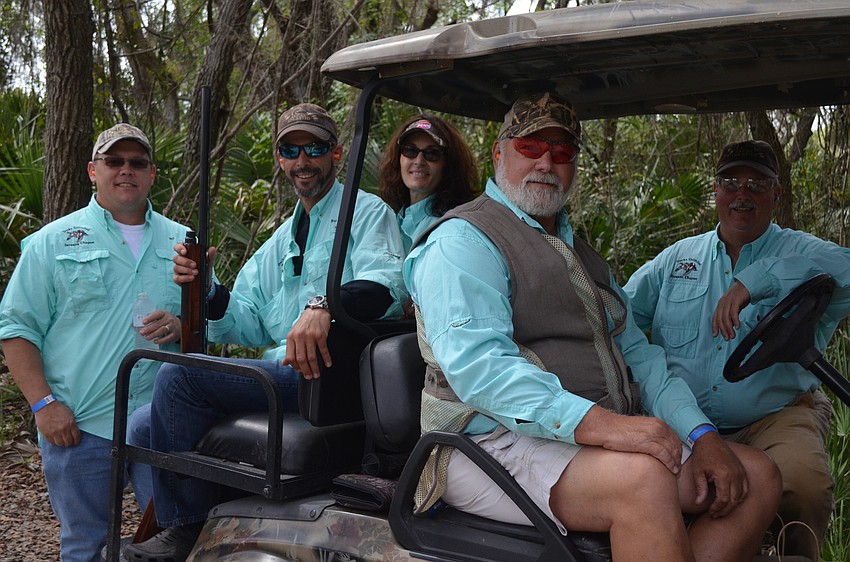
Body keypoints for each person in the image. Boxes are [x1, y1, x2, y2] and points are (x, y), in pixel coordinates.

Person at [404, 92, 783, 562]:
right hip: (482, 442)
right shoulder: (463, 240)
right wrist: (609, 428)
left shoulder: (581, 256)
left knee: (756, 476)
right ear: (499, 153)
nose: (546, 161)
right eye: (530, 147)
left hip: (581, 438)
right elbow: (482, 370)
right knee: (643, 480)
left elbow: (640, 357)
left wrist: (702, 436)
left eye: (562, 152)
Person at [123, 103, 407, 562]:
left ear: (336, 153)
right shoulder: (281, 239)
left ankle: (184, 530)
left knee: (177, 378)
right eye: (290, 150)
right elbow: (247, 318)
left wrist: (325, 306)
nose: (302, 161)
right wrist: (207, 287)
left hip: (332, 376)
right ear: (279, 159)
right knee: (140, 421)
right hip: (282, 372)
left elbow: (387, 283)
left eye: (313, 148)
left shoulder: (366, 211)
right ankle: (196, 516)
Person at [624, 139, 850, 560]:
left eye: (757, 184)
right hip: (683, 419)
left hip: (774, 414)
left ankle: (796, 554)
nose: (742, 194)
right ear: (715, 191)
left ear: (776, 195)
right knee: (644, 490)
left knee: (804, 486)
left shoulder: (801, 251)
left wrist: (758, 279)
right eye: (731, 182)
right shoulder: (677, 260)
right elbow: (619, 317)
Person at [0, 123, 186, 562]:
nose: (126, 170)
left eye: (137, 162)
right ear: (92, 170)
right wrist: (44, 405)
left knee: (170, 543)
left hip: (162, 425)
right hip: (79, 426)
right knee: (85, 545)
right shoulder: (51, 242)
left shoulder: (185, 243)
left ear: (153, 174)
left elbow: (214, 323)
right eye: (114, 161)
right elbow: (16, 329)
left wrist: (181, 326)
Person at [378, 114, 478, 254]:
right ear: (398, 158)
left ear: (448, 164)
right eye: (410, 150)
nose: (419, 161)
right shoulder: (386, 217)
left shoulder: (452, 227)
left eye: (432, 153)